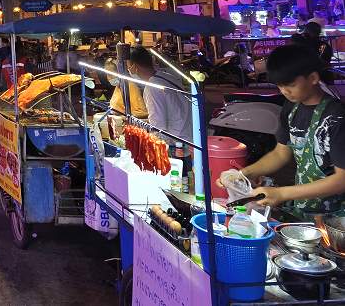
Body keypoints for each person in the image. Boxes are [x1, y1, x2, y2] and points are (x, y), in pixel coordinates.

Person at [219, 45, 345, 219]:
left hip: (336, 218)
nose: (284, 91)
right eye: (279, 86)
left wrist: (282, 194)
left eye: (291, 85)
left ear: (313, 78)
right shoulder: (292, 107)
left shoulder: (336, 116)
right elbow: (281, 153)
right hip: (304, 208)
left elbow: (341, 180)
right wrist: (243, 175)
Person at [126, 46, 192, 144]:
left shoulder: (152, 88)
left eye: (128, 67)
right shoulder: (166, 76)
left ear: (135, 67)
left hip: (177, 142)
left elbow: (158, 126)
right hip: (188, 134)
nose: (129, 71)